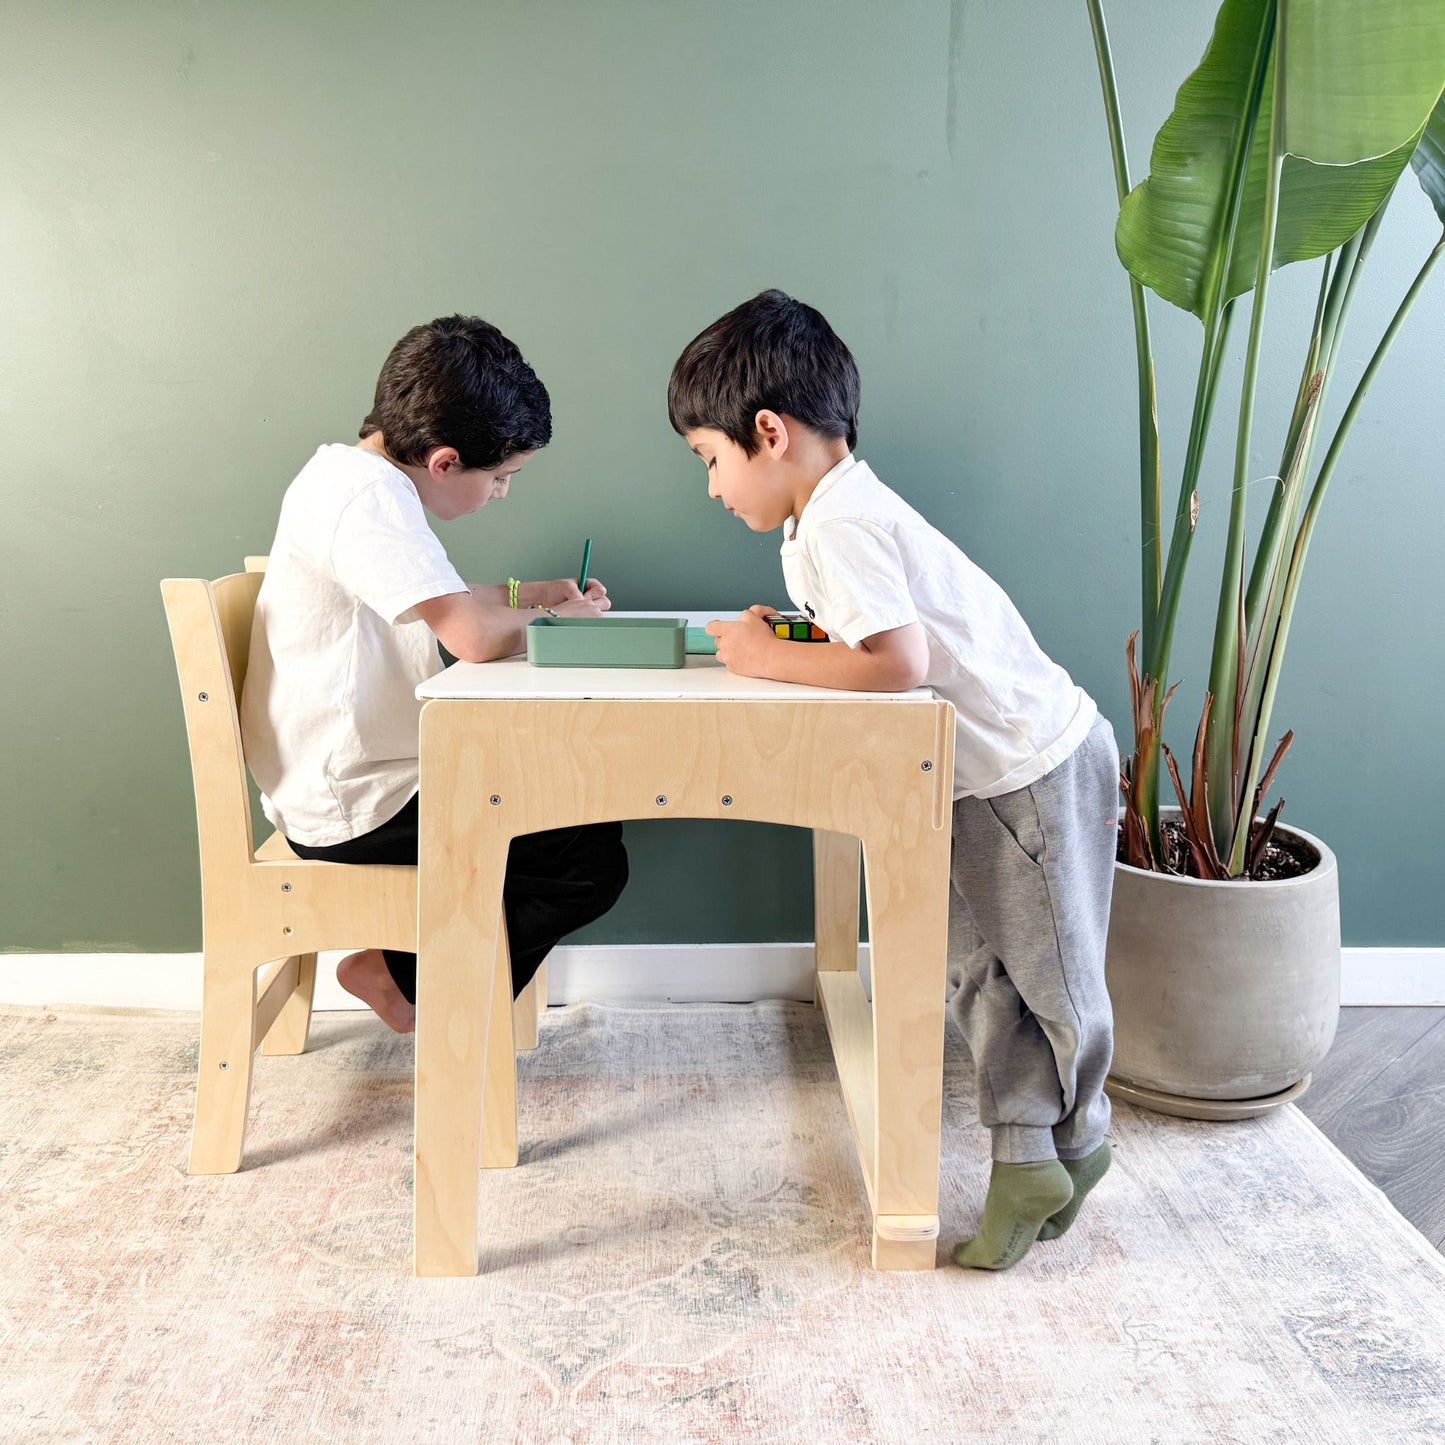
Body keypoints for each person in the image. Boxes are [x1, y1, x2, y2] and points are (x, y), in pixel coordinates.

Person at [667, 290, 1117, 1270]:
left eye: (709, 459)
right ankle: (1020, 1155)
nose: (709, 487)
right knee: (971, 975)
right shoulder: (822, 521)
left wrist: (759, 659)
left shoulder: (842, 524)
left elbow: (896, 660)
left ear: (768, 432)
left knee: (1052, 977)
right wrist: (784, 636)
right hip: (965, 780)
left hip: (1033, 771)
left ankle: (1079, 1135)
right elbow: (864, 642)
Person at [241, 314, 629, 1034]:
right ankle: (408, 984)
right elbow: (473, 638)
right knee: (585, 853)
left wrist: (535, 596)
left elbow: (444, 600)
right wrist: (560, 626)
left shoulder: (358, 479)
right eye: (502, 478)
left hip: (354, 780)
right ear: (446, 461)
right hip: (357, 804)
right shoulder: (369, 503)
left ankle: (415, 975)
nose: (503, 494)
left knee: (570, 815)